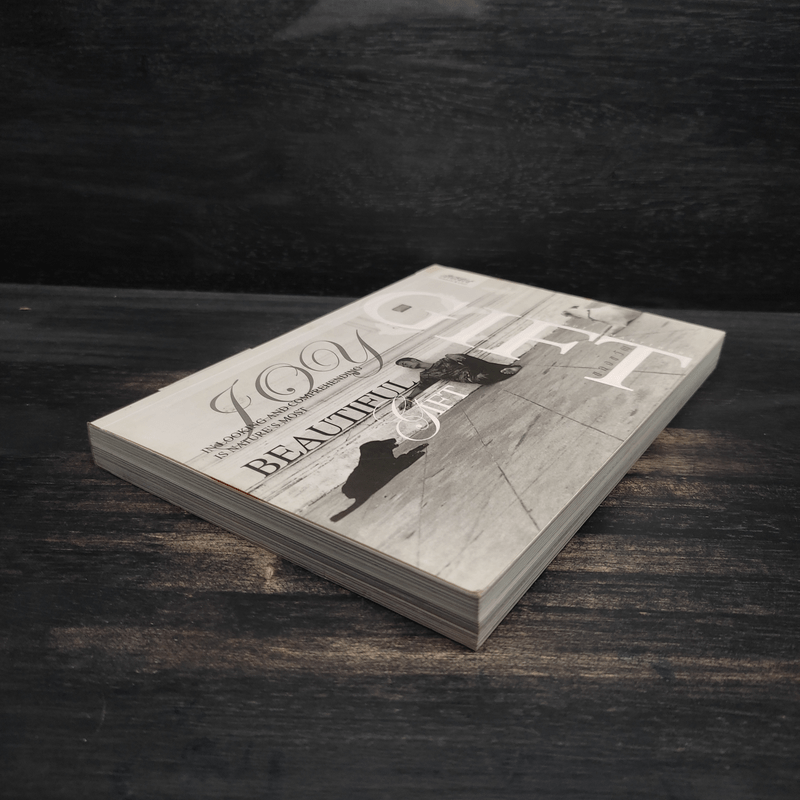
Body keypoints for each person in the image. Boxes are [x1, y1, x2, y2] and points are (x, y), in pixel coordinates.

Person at [395, 353, 522, 406]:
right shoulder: (426, 375)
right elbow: (420, 387)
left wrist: (453, 356)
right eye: (404, 366)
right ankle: (505, 370)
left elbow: (460, 358)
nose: (407, 366)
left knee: (458, 357)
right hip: (472, 378)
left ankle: (504, 370)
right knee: (482, 376)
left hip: (474, 368)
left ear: (413, 360)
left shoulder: (444, 360)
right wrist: (408, 399)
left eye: (405, 364)